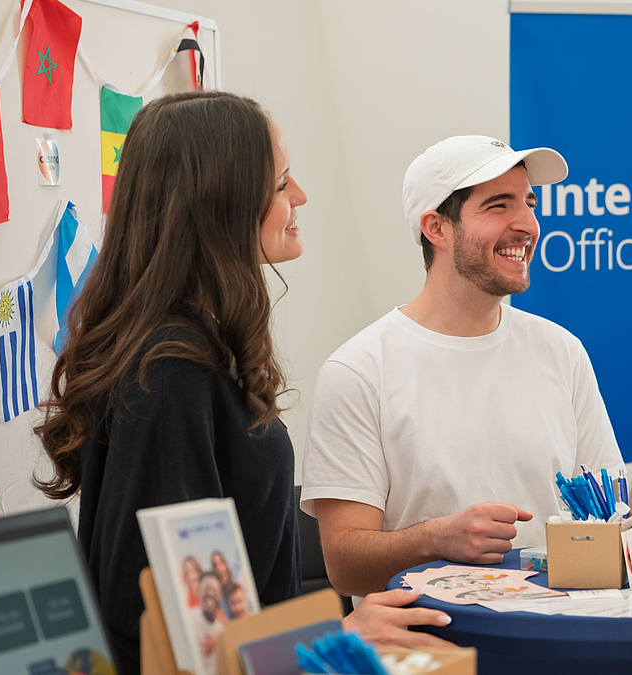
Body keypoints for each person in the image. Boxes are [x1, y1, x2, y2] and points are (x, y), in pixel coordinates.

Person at [34, 91, 452, 675]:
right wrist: (336, 634)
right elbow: (173, 626)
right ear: (221, 202)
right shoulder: (170, 375)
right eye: (282, 184)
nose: (300, 196)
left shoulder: (199, 350)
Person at [301, 135, 624, 596]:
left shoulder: (561, 351)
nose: (527, 225)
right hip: (436, 653)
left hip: (562, 640)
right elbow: (346, 568)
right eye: (498, 206)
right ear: (436, 228)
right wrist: (437, 539)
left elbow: (612, 518)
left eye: (528, 203)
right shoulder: (359, 370)